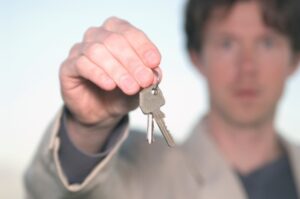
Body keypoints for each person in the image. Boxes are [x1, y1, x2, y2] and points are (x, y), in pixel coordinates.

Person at [24, 0, 300, 198]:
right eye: (227, 43)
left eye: (267, 42)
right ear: (197, 57)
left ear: (294, 60)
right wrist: (87, 130)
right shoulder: (139, 166)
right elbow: (53, 192)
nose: (247, 66)